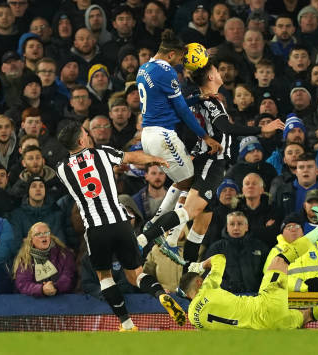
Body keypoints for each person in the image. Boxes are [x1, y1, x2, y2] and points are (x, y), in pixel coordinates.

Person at [136, 60, 283, 266]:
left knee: (204, 217)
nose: (220, 72)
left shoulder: (198, 98)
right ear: (211, 77)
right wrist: (262, 129)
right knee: (190, 211)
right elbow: (226, 127)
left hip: (208, 160)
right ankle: (144, 238)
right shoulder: (210, 102)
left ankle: (189, 268)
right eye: (216, 69)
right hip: (211, 162)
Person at [56, 121, 187, 331]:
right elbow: (132, 157)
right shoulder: (102, 153)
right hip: (120, 222)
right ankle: (161, 295)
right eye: (85, 133)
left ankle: (127, 324)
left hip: (96, 228)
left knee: (104, 277)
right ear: (82, 140)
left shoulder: (62, 169)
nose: (88, 135)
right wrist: (155, 159)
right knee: (136, 272)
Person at [177, 219, 318, 330]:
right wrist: (200, 265)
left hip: (270, 327)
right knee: (280, 260)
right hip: (266, 306)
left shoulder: (193, 317)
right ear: (199, 282)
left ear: (187, 295)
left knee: (309, 315)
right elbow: (219, 258)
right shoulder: (208, 287)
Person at [136, 29, 222, 243]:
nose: (182, 63)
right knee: (193, 187)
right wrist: (205, 136)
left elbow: (175, 104)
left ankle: (155, 224)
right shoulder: (167, 72)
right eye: (181, 58)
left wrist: (196, 97)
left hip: (147, 135)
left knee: (181, 181)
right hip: (163, 136)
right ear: (172, 54)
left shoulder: (144, 68)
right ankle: (170, 237)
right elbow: (182, 112)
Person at [263, 212, 318, 292]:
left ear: (302, 231)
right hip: (290, 301)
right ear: (282, 232)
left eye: (297, 226)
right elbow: (271, 277)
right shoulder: (276, 251)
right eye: (289, 226)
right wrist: (304, 287)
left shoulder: (316, 246)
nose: (293, 229)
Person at [203, 211, 269, 293]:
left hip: (255, 297)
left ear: (247, 227)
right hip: (226, 298)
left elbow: (268, 273)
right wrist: (228, 288)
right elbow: (208, 275)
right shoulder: (216, 249)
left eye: (240, 224)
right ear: (227, 227)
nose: (236, 228)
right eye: (232, 224)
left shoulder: (260, 247)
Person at [13, 222, 76, 297]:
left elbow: (69, 276)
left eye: (46, 233)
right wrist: (41, 289)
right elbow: (23, 283)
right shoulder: (25, 259)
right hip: (35, 302)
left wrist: (55, 287)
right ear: (31, 240)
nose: (43, 236)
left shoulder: (65, 254)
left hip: (62, 299)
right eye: (38, 234)